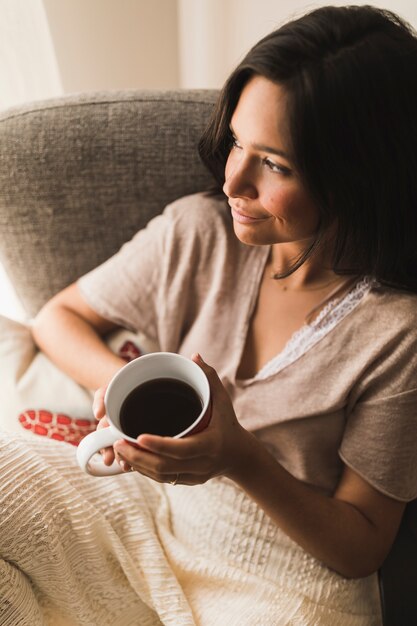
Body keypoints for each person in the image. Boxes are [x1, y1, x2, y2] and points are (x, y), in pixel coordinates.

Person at [2, 4, 417, 625]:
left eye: (274, 164)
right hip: (143, 512)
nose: (233, 180)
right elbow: (59, 317)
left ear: (359, 178)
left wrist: (240, 459)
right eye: (237, 143)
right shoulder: (199, 234)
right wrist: (114, 387)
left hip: (278, 570)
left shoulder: (398, 333)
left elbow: (361, 545)